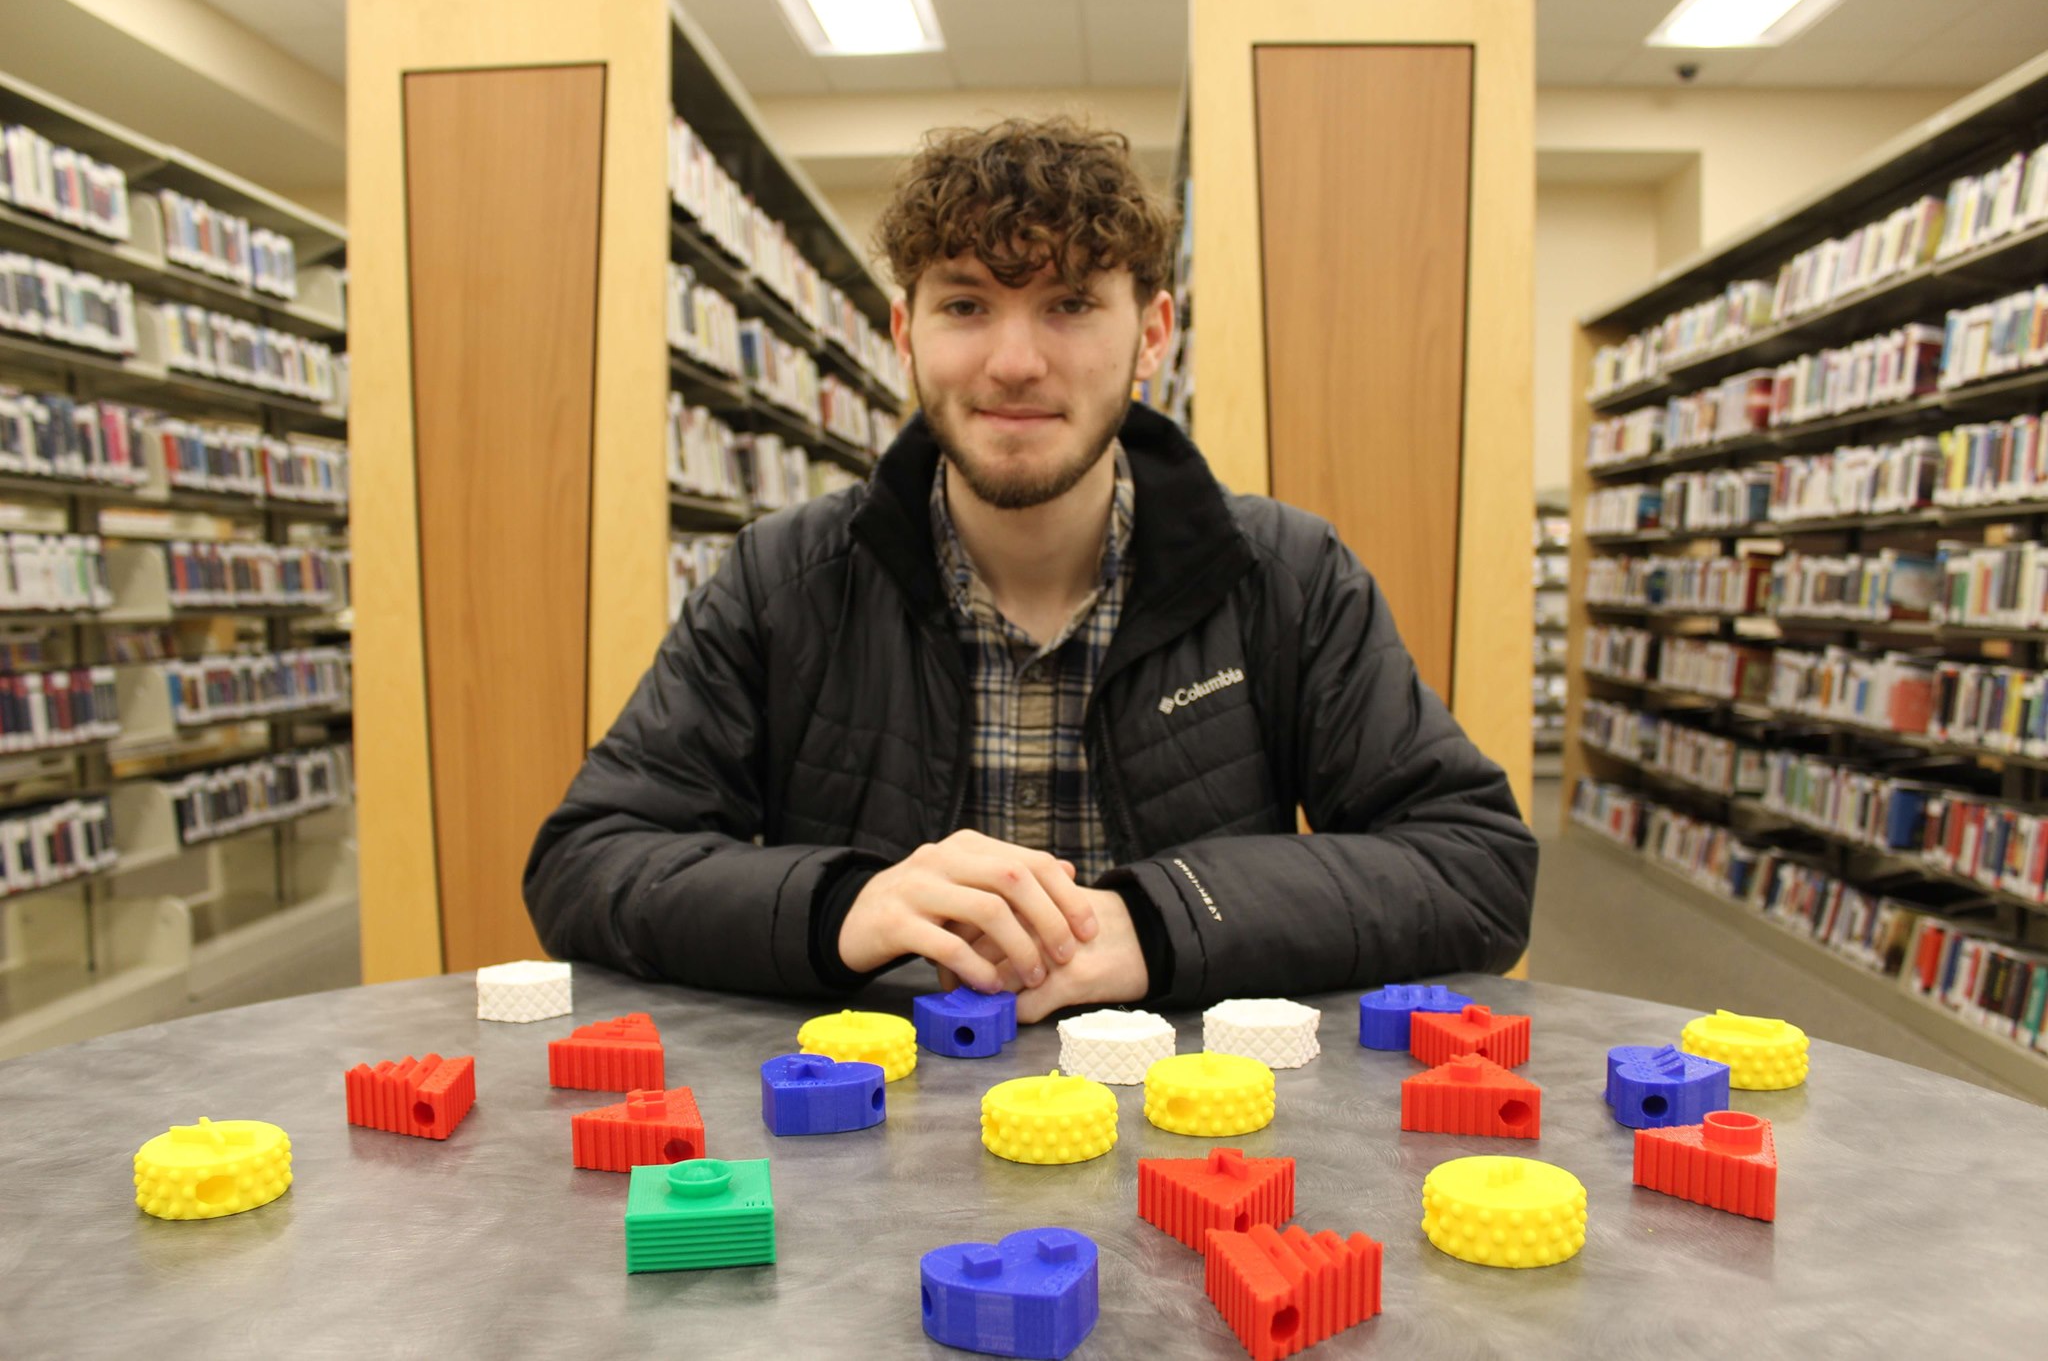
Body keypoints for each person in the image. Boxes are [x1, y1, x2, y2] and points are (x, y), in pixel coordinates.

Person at [524, 117, 1537, 1023]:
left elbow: (1475, 868)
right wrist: (841, 904)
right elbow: (585, 861)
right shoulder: (781, 581)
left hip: (1200, 1139)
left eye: (1066, 305)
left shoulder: (1288, 578)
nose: (1012, 362)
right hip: (863, 1142)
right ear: (902, 336)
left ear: (1150, 334)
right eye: (964, 306)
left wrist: (1164, 921)